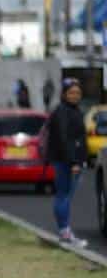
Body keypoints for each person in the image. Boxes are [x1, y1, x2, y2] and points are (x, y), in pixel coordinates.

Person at [44, 78, 90, 247]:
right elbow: (65, 140)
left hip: (68, 161)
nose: (75, 96)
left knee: (64, 196)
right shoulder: (63, 111)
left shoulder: (73, 110)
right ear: (64, 94)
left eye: (78, 93)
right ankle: (65, 232)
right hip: (66, 162)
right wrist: (74, 162)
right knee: (63, 196)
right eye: (71, 92)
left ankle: (64, 231)